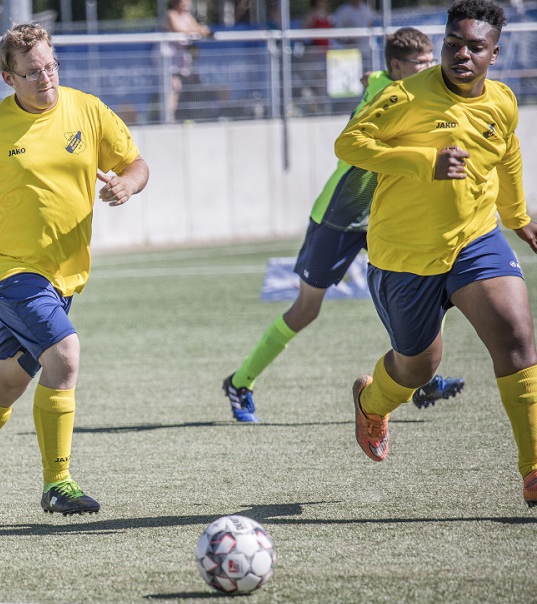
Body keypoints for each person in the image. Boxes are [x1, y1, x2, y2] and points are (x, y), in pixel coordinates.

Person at [0, 22, 150, 520]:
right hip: (7, 270)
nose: (45, 78)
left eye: (50, 67)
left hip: (63, 276)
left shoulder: (87, 109)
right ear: (9, 78)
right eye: (31, 73)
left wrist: (127, 187)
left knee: (6, 384)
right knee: (65, 356)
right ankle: (58, 484)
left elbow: (136, 163)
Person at [334, 0, 537, 508]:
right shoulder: (404, 97)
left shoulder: (502, 102)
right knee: (418, 370)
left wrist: (518, 218)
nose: (461, 53)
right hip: (403, 256)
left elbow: (507, 153)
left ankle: (534, 472)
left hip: (475, 239)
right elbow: (349, 144)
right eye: (453, 43)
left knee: (516, 337)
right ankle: (372, 400)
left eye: (475, 46)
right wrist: (425, 160)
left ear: (494, 53)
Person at [223, 28, 465, 423]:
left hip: (381, 217)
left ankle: (420, 378)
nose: (429, 69)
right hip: (338, 216)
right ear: (396, 66)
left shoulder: (405, 87)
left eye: (429, 61)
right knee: (305, 311)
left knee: (420, 284)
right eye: (419, 64)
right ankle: (240, 381)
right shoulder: (386, 94)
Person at [161, 0, 211, 124]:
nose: (185, 6)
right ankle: (168, 118)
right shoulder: (171, 14)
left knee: (180, 87)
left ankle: (175, 116)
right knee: (174, 86)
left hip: (181, 58)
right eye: (183, 3)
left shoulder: (187, 16)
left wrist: (201, 29)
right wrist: (197, 31)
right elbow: (178, 29)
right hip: (168, 58)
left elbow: (198, 27)